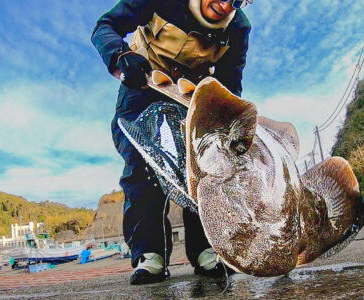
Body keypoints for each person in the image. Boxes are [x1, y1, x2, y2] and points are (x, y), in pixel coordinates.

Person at [91, 0, 252, 285]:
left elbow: (229, 82)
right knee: (142, 168)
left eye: (238, 0)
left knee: (203, 169)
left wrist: (227, 121)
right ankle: (150, 254)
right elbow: (105, 26)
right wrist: (120, 56)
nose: (226, 4)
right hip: (141, 89)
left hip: (190, 100)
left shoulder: (238, 28)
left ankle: (207, 249)